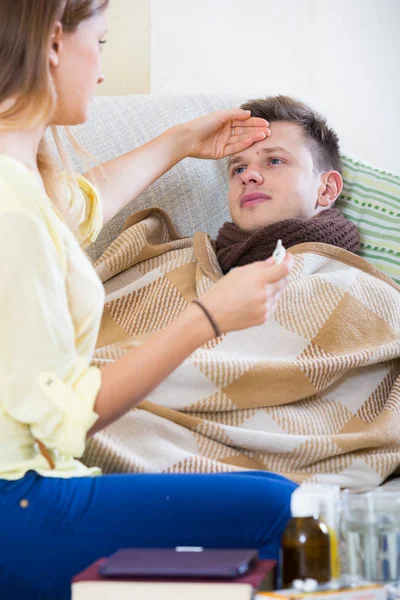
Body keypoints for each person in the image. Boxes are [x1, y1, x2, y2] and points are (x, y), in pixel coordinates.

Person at [0, 1, 296, 598]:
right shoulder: (10, 209)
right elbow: (71, 420)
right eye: (102, 42)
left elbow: (73, 210)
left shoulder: (22, 182)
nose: (103, 70)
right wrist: (209, 318)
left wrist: (182, 140)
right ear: (54, 43)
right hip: (18, 503)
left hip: (29, 490)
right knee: (281, 508)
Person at [216, 95, 360, 273]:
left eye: (275, 160)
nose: (247, 175)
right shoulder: (189, 260)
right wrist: (183, 140)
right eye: (238, 169)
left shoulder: (367, 292)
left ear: (327, 189)